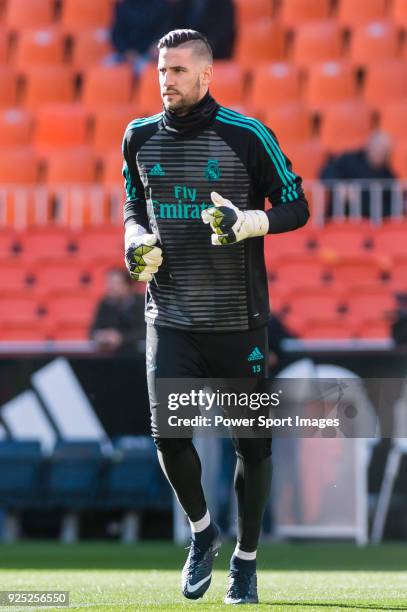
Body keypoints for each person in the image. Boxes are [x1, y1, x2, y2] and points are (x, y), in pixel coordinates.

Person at [122, 29, 309, 605]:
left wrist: (254, 222)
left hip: (240, 322)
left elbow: (298, 204)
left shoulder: (247, 135)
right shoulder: (138, 138)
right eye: (161, 70)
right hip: (172, 316)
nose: (166, 81)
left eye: (178, 71)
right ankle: (203, 535)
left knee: (252, 447)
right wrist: (133, 236)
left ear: (206, 76)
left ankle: (246, 562)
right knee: (168, 437)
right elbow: (133, 202)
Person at [319, 131, 396, 219]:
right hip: (340, 218)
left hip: (368, 224)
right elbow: (326, 171)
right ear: (369, 145)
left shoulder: (389, 177)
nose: (380, 152)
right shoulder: (349, 160)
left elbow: (390, 209)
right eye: (377, 147)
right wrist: (339, 186)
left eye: (384, 150)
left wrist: (358, 199)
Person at [90, 268, 145, 355]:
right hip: (110, 357)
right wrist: (101, 336)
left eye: (115, 283)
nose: (110, 287)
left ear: (128, 286)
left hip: (139, 357)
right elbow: (92, 331)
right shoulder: (104, 303)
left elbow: (145, 332)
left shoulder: (142, 303)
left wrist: (121, 338)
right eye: (108, 283)